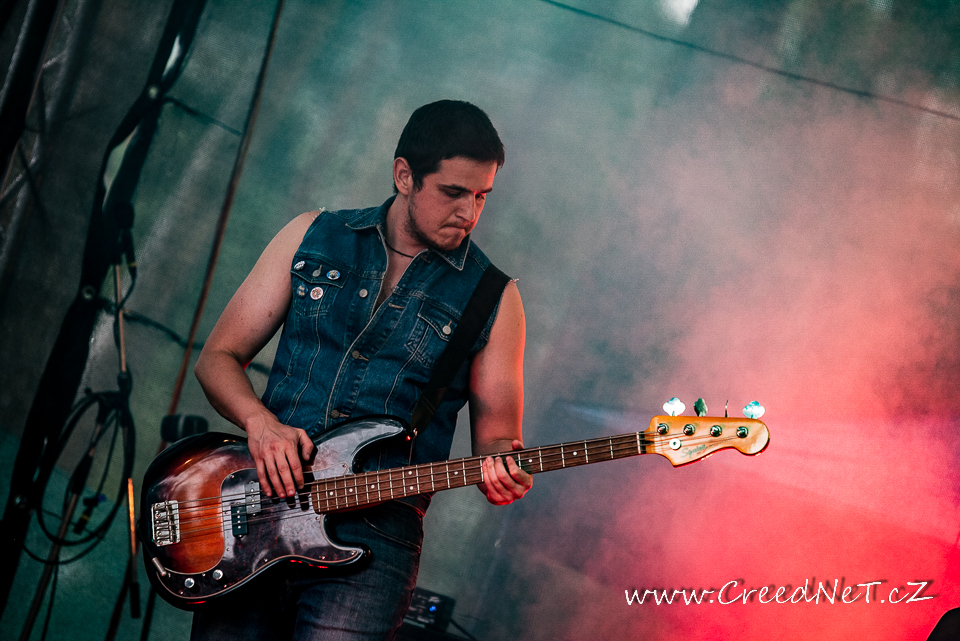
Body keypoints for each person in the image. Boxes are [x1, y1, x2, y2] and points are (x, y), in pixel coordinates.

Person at [191, 100, 532, 641]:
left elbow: (497, 439)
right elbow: (217, 358)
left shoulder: (495, 297)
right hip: (259, 509)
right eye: (453, 192)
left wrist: (503, 468)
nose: (469, 212)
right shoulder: (312, 234)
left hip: (377, 541)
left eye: (481, 196)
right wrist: (261, 424)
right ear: (404, 176)